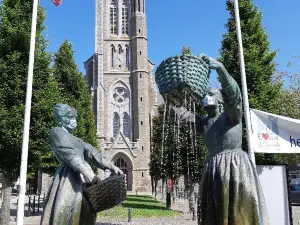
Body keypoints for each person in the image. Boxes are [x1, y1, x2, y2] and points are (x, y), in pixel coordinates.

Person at [182, 55, 269, 225]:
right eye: (205, 95)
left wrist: (221, 69)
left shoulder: (231, 116)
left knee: (238, 212)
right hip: (213, 169)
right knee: (214, 215)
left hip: (234, 166)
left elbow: (234, 96)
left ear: (221, 100)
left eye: (212, 93)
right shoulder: (203, 122)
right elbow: (182, 114)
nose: (207, 96)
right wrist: (175, 95)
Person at [41, 104, 123, 225]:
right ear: (63, 119)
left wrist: (111, 166)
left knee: (86, 213)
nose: (74, 121)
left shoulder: (76, 139)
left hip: (81, 179)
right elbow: (69, 153)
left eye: (74, 118)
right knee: (67, 211)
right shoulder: (56, 132)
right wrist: (88, 173)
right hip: (68, 180)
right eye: (71, 118)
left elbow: (92, 152)